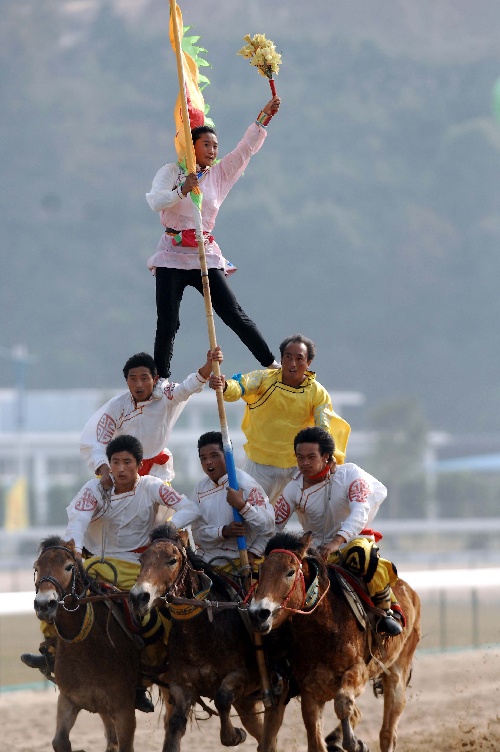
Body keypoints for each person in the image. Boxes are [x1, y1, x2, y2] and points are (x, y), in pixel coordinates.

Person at [21, 434, 196, 711]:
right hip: (95, 565)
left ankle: (145, 676)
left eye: (127, 462)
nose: (121, 468)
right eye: (115, 462)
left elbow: (189, 506)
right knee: (55, 595)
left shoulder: (153, 486)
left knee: (151, 615)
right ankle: (52, 651)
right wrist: (74, 549)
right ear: (109, 464)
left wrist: (169, 531)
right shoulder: (94, 489)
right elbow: (78, 520)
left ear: (139, 465)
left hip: (137, 569)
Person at [146, 96, 281, 379]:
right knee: (168, 320)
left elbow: (245, 151)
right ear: (191, 146)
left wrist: (262, 118)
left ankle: (270, 364)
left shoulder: (220, 175)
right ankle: (161, 378)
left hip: (204, 254)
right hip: (171, 253)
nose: (211, 150)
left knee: (231, 312)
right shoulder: (172, 172)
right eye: (205, 144)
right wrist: (182, 190)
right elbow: (156, 202)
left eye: (215, 146)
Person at [274, 426, 403, 636]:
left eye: (311, 457)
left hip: (351, 542)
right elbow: (274, 522)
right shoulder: (293, 488)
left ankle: (386, 612)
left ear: (326, 456)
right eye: (300, 457)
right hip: (315, 552)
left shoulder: (350, 474)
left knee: (362, 554)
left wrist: (335, 542)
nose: (304, 463)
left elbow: (360, 510)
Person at [209, 333, 351, 505]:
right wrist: (224, 386)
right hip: (260, 464)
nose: (293, 364)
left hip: (297, 467)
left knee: (313, 511)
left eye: (299, 359)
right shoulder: (264, 378)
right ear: (281, 359)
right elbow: (239, 387)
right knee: (249, 513)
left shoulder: (318, 393)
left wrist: (329, 456)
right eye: (288, 357)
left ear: (309, 363)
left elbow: (323, 429)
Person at [81, 348, 222, 487]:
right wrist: (105, 470)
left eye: (144, 378)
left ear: (154, 379)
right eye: (133, 379)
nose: (139, 385)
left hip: (157, 471)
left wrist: (209, 365)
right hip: (124, 471)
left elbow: (188, 387)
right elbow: (99, 442)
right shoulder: (117, 406)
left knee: (162, 506)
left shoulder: (166, 395)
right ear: (126, 382)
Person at [171, 431, 274, 574]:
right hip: (208, 563)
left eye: (214, 456)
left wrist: (243, 507)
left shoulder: (245, 484)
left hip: (242, 562)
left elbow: (268, 526)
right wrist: (223, 532)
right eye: (203, 458)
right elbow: (198, 534)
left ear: (227, 456)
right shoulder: (200, 488)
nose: (208, 462)